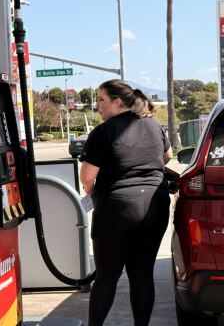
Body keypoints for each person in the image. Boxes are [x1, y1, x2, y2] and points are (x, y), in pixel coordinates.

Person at [80, 80, 173, 326]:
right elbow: (168, 156)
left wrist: (92, 192)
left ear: (117, 102)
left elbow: (87, 178)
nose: (97, 106)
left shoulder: (103, 132)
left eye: (101, 100)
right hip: (155, 204)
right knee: (142, 275)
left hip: (116, 209)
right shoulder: (153, 125)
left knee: (107, 276)